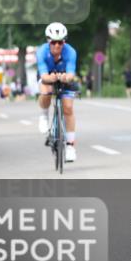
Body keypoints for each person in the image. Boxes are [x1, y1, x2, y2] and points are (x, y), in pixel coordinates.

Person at [36, 23, 79, 162]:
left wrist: (66, 77)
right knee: (46, 92)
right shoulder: (41, 52)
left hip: (64, 77)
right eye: (53, 42)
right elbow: (43, 76)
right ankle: (43, 116)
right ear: (49, 41)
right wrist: (52, 78)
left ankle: (70, 146)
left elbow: (71, 73)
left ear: (64, 42)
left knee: (68, 108)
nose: (57, 45)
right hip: (47, 76)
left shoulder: (70, 52)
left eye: (60, 42)